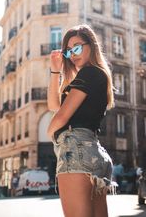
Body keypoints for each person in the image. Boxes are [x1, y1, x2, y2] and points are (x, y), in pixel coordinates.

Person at [47, 24, 115, 217]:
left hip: (76, 151)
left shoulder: (90, 72)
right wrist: (55, 71)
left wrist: (50, 132)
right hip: (93, 152)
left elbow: (61, 116)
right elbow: (54, 106)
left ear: (91, 45)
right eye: (68, 51)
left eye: (77, 47)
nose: (73, 54)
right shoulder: (95, 75)